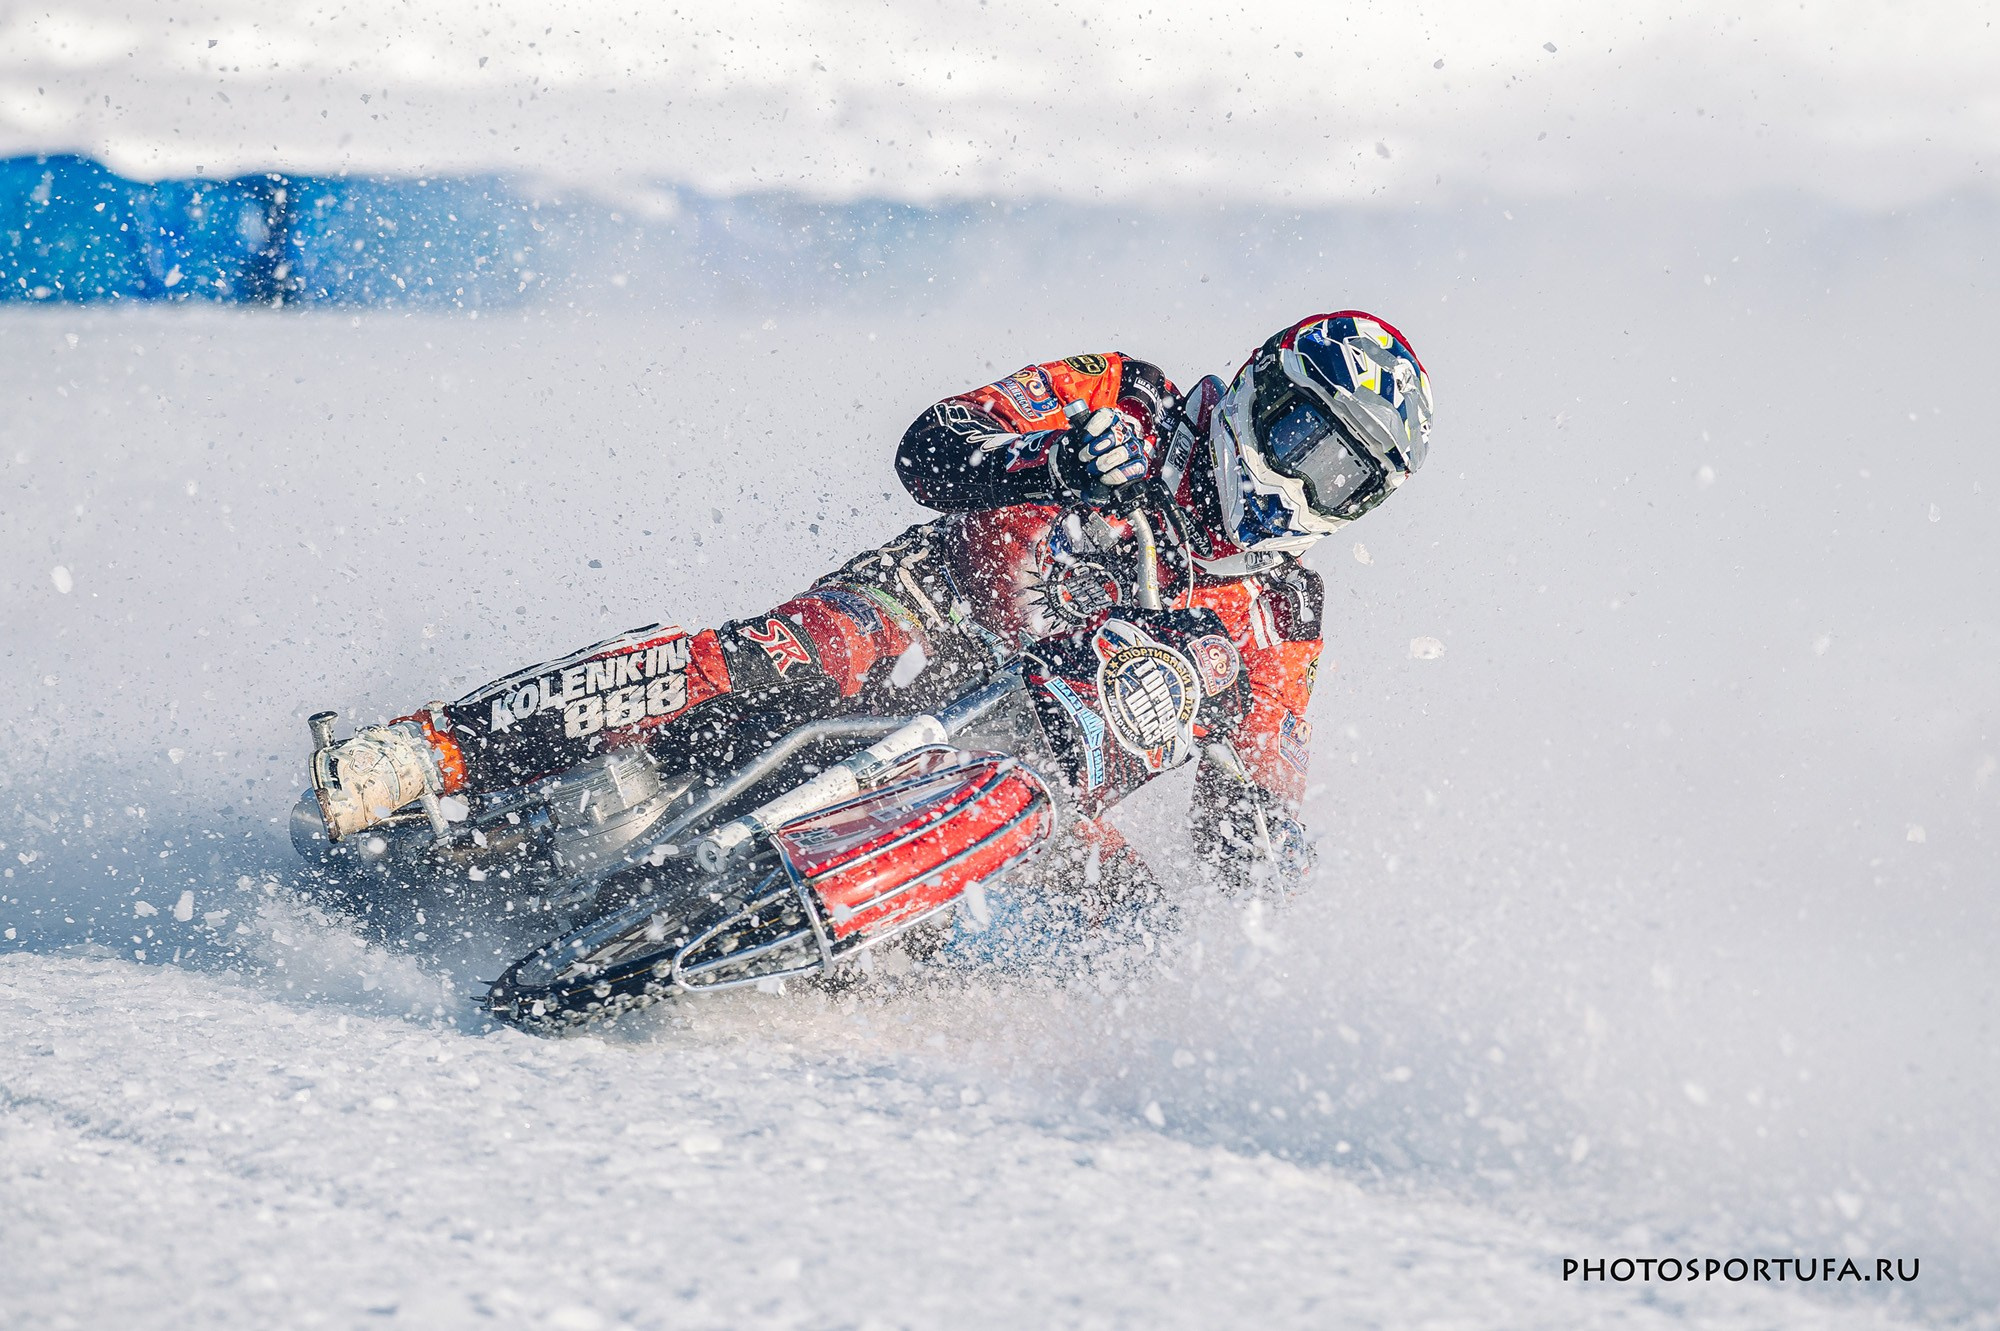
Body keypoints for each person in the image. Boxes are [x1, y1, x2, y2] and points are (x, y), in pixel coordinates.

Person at [309, 311, 1433, 904]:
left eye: (1344, 476)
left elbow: (1265, 765)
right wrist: (1051, 465)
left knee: (1127, 923)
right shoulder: (1125, 391)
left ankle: (888, 1007)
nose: (1302, 483)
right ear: (1258, 394)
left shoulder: (1283, 609)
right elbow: (931, 448)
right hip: (925, 614)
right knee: (775, 659)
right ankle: (422, 753)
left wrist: (1267, 839)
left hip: (1026, 762)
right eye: (1300, 440)